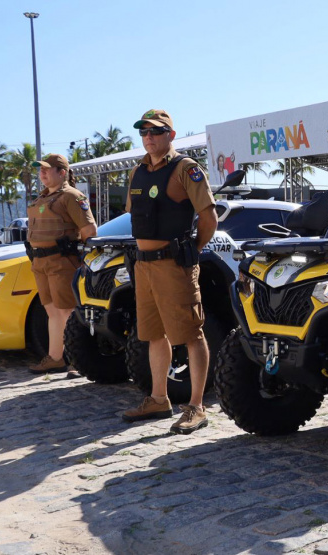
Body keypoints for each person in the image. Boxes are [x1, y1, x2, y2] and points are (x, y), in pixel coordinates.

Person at [121, 109, 217, 435]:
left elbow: (208, 218)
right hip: (144, 266)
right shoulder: (138, 172)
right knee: (153, 334)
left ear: (170, 135)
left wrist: (191, 252)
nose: (149, 137)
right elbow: (136, 216)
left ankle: (197, 407)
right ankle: (159, 399)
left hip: (174, 265)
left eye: (156, 131)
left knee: (190, 334)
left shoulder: (185, 169)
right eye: (144, 132)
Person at [26, 153, 97, 378]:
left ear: (62, 172)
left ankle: (75, 361)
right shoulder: (42, 198)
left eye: (47, 169)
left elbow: (89, 231)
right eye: (41, 170)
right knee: (51, 310)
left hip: (61, 260)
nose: (42, 173)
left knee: (67, 310)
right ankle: (56, 358)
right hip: (40, 261)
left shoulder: (72, 196)